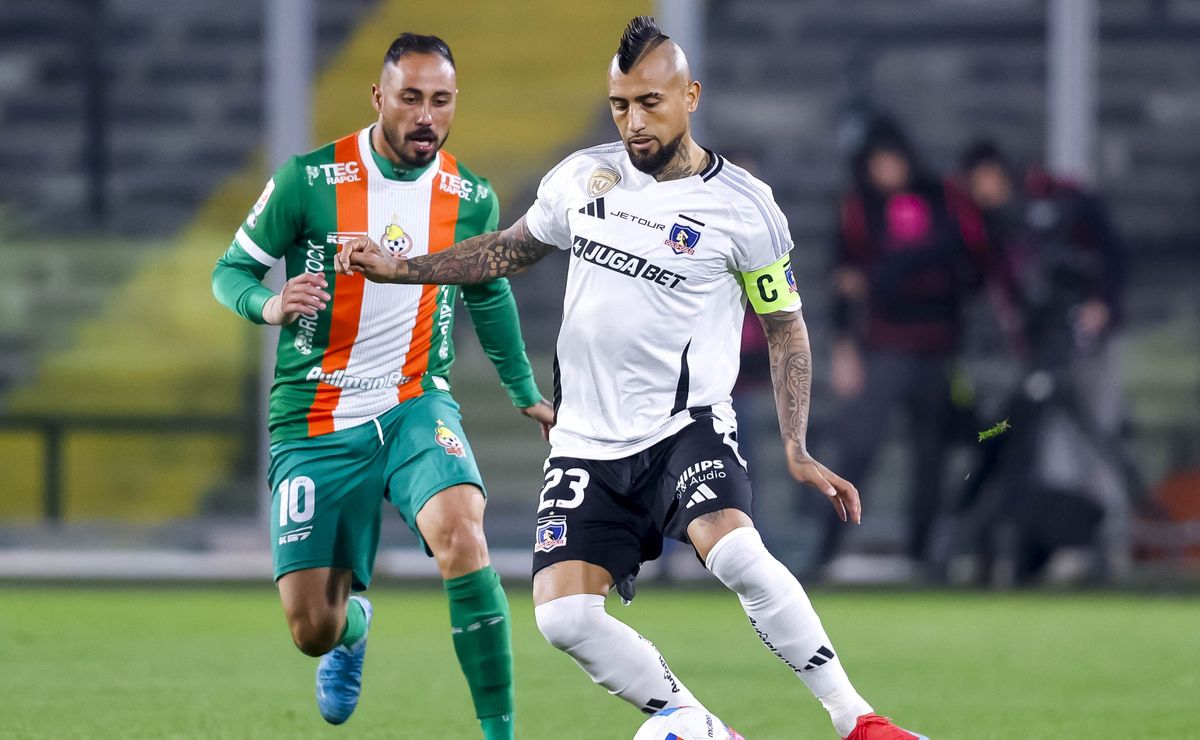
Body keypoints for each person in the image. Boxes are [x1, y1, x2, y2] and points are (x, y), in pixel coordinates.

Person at [338, 17, 926, 740]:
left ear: (690, 96)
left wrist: (798, 447)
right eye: (620, 105)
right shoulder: (584, 177)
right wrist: (404, 268)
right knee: (563, 618)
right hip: (585, 439)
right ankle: (699, 725)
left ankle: (857, 720)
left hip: (685, 427)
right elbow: (507, 251)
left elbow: (785, 325)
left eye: (650, 102)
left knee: (735, 550)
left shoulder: (744, 207)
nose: (634, 121)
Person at [211, 33, 553, 737]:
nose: (426, 115)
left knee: (463, 533)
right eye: (410, 98)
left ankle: (502, 732)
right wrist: (270, 305)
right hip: (314, 417)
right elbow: (230, 273)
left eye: (440, 100)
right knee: (312, 627)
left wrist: (523, 388)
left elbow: (486, 292)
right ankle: (355, 624)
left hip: (413, 400)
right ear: (379, 97)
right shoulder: (309, 180)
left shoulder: (471, 196)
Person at [823, 117, 991, 575]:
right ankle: (826, 550)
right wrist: (845, 348)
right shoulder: (859, 207)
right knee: (857, 449)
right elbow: (841, 278)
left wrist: (881, 278)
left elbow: (972, 259)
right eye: (877, 163)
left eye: (892, 161)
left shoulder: (945, 201)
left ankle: (923, 555)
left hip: (938, 350)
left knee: (932, 455)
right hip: (883, 348)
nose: (886, 171)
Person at [958, 139, 1129, 582]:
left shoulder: (1061, 201)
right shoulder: (987, 228)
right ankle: (1053, 544)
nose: (985, 192)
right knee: (1023, 437)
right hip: (1036, 358)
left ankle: (1105, 545)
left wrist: (1102, 304)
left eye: (988, 181)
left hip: (1090, 346)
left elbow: (1109, 255)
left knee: (1096, 441)